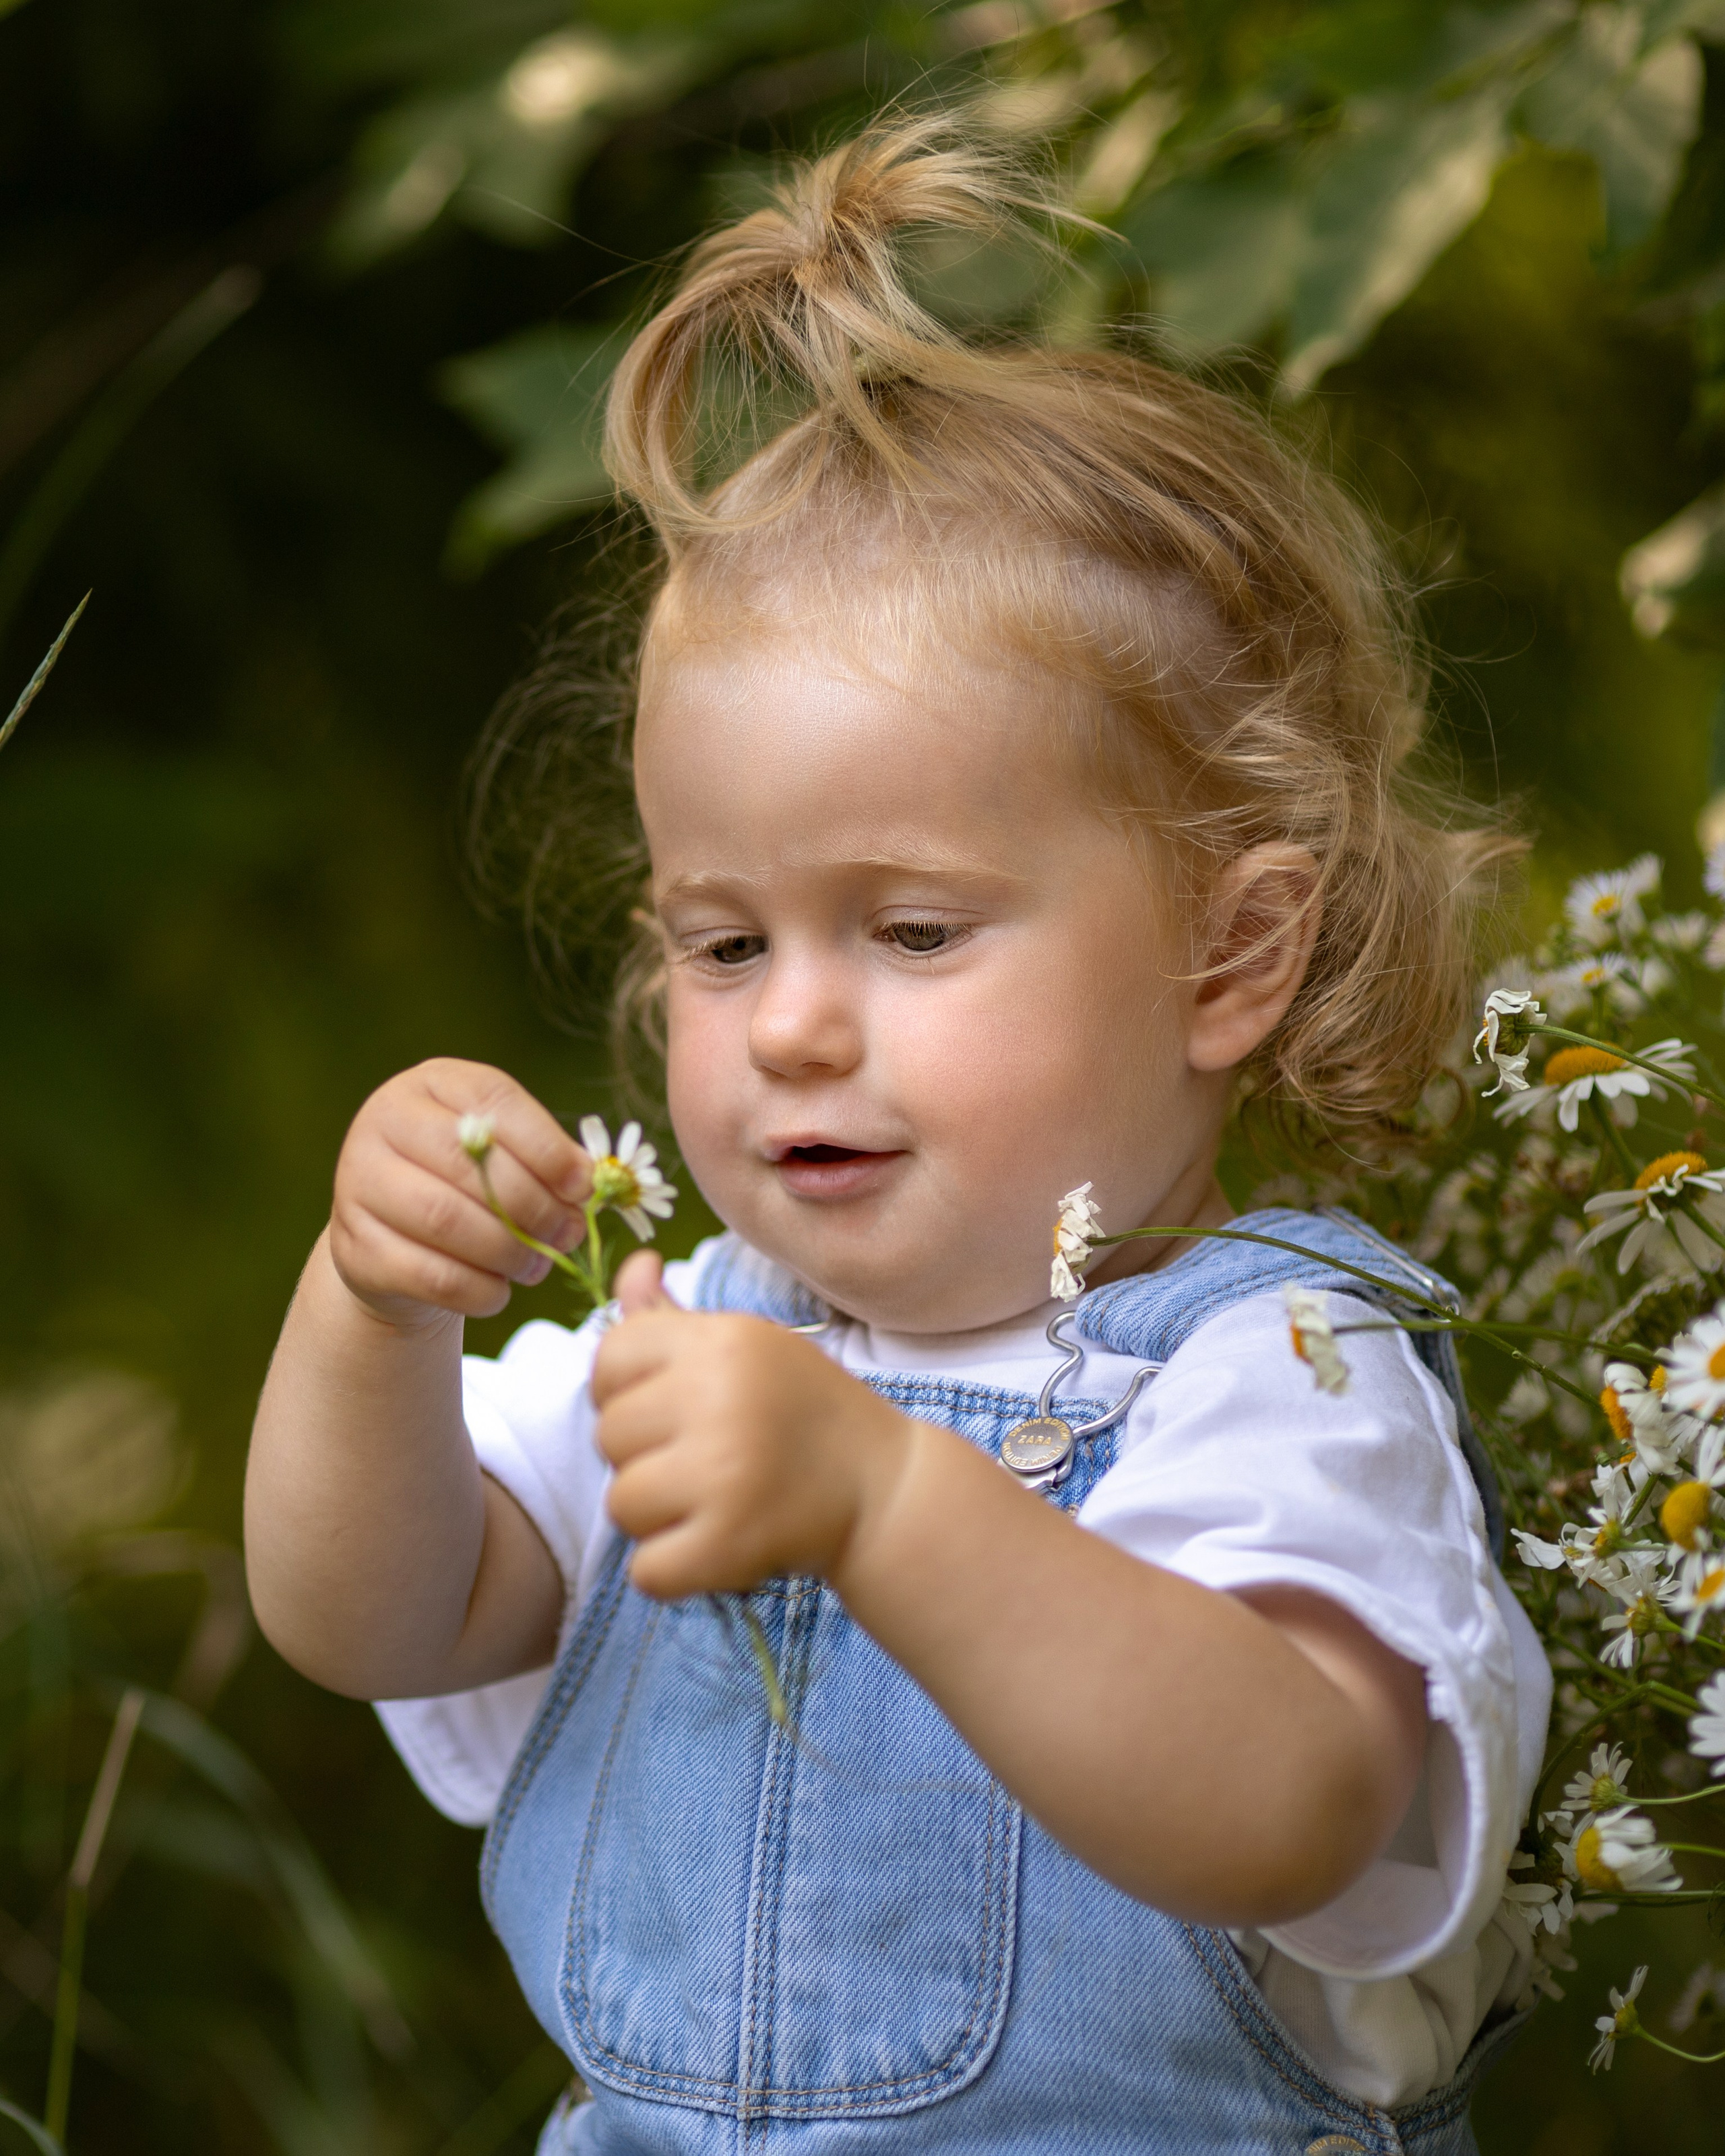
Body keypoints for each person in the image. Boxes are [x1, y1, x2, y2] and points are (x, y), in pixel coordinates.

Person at [245, 119, 1550, 2154]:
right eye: (724, 939)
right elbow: (370, 1617)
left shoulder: (1266, 1377)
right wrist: (370, 1312)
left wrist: (888, 1506)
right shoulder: (673, 1343)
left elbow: (1290, 1800)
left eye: (916, 931)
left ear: (1233, 955)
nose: (792, 1022)